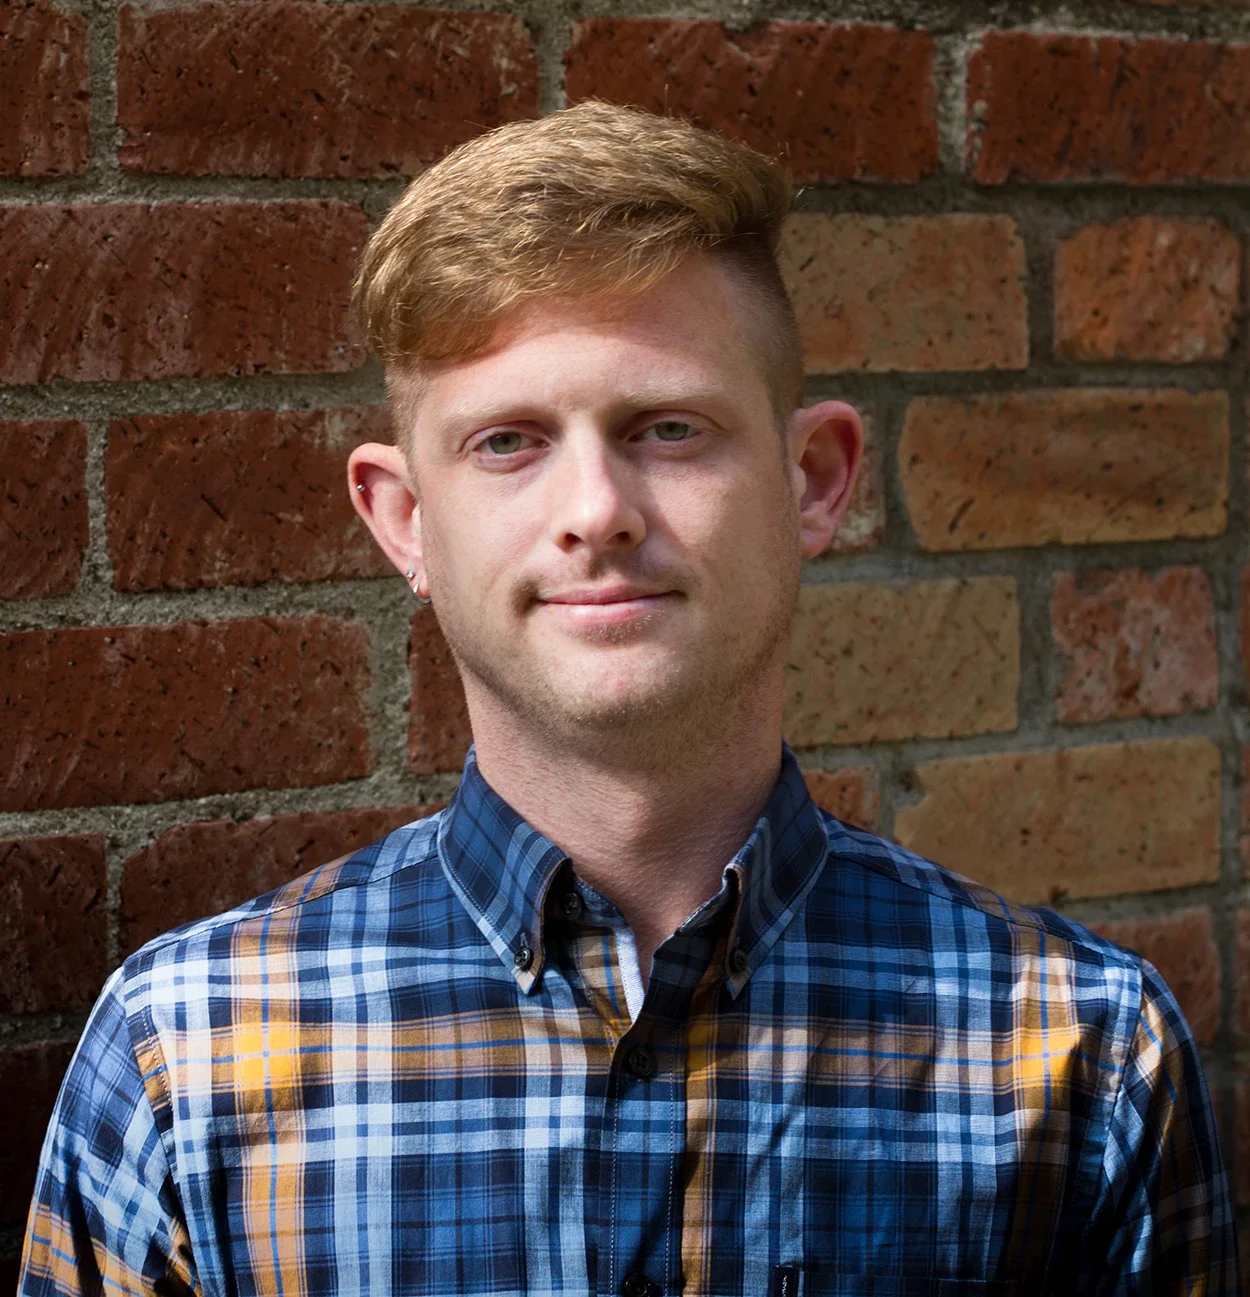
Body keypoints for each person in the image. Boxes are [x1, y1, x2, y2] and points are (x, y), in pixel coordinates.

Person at [19, 102, 1235, 1297]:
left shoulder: (1077, 1054)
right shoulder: (187, 1057)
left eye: (666, 428)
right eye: (506, 441)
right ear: (405, 520)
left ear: (811, 480)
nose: (595, 509)